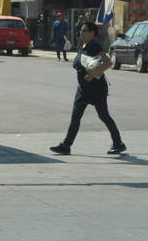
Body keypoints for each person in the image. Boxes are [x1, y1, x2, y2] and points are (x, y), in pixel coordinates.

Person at [50, 20, 126, 156]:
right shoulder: (84, 45)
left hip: (96, 89)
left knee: (104, 116)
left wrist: (92, 74)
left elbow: (108, 62)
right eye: (81, 30)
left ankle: (118, 143)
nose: (81, 33)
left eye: (85, 31)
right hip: (83, 89)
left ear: (92, 33)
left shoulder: (94, 45)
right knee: (75, 117)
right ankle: (66, 145)